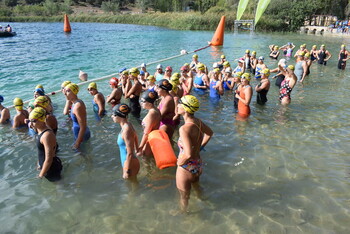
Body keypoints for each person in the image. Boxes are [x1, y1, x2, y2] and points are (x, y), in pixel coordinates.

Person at [176, 95, 213, 212]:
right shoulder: (198, 122)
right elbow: (210, 133)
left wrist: (179, 162)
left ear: (186, 109)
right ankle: (205, 202)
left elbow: (188, 154)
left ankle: (183, 216)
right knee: (197, 187)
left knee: (184, 197)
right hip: (197, 163)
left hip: (186, 167)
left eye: (180, 103)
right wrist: (200, 147)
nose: (177, 105)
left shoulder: (184, 129)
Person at [29, 107, 62, 181]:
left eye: (33, 121)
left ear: (41, 120)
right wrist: (39, 164)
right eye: (29, 121)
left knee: (59, 187)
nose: (31, 124)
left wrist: (41, 175)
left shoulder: (47, 135)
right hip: (46, 167)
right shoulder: (40, 130)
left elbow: (49, 158)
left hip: (51, 169)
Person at [112, 104, 140, 179]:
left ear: (119, 116)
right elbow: (135, 136)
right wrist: (137, 149)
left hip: (130, 163)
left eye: (114, 115)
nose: (112, 116)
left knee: (133, 187)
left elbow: (130, 153)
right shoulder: (128, 124)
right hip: (128, 161)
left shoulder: (126, 129)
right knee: (133, 186)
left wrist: (126, 170)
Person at [64, 83, 90, 150]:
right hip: (79, 134)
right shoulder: (74, 103)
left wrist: (77, 143)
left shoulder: (78, 106)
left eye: (68, 91)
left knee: (83, 155)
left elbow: (83, 126)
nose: (66, 93)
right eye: (65, 91)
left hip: (81, 136)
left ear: (74, 92)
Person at [137, 90, 161, 157]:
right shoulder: (156, 110)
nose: (141, 103)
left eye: (143, 101)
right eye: (140, 100)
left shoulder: (152, 114)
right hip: (153, 138)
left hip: (149, 140)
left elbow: (146, 133)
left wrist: (141, 147)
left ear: (150, 103)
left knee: (146, 159)